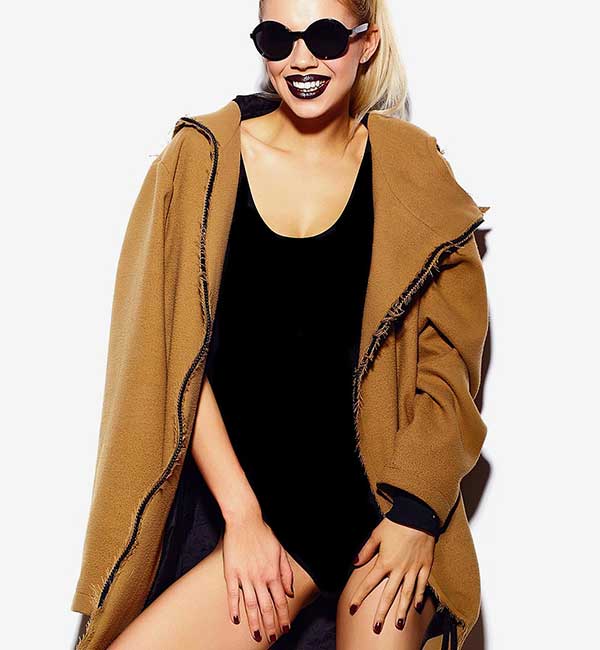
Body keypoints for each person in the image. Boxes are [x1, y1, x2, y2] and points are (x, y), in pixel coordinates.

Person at [71, 2, 490, 649]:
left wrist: (416, 513)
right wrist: (242, 517)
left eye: (324, 37)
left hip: (382, 516)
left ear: (368, 41)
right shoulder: (202, 160)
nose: (300, 60)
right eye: (277, 38)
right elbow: (173, 355)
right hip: (267, 518)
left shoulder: (412, 168)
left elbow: (449, 366)